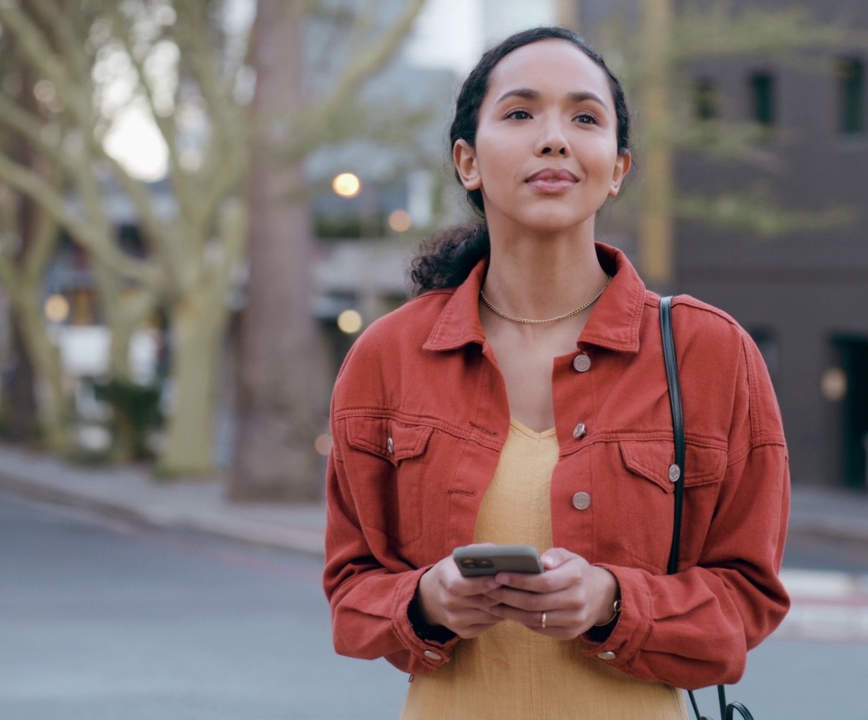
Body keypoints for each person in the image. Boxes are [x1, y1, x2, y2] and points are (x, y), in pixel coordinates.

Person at [323, 26, 789, 720]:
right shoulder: (387, 357)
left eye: (584, 117)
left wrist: (614, 602)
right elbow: (351, 593)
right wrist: (426, 600)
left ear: (618, 167)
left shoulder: (708, 353)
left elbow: (748, 601)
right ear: (467, 161)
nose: (554, 138)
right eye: (519, 113)